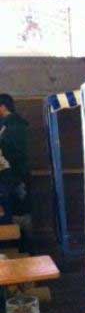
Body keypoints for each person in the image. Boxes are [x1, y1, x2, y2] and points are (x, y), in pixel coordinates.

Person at [0, 94, 30, 246]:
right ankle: (21, 246)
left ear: (3, 107)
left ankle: (16, 247)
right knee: (18, 211)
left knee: (12, 212)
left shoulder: (10, 126)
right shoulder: (16, 124)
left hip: (11, 176)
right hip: (16, 175)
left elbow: (11, 152)